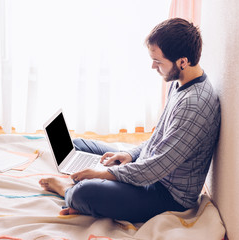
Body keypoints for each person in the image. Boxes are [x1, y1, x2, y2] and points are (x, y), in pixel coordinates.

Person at [39, 18, 221, 223]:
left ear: (182, 62)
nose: (153, 66)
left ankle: (68, 192)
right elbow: (157, 138)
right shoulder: (180, 83)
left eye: (158, 61)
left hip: (166, 193)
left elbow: (156, 168)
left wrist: (104, 174)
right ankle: (92, 197)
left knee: (85, 192)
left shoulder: (194, 105)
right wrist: (128, 154)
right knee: (78, 145)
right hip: (150, 169)